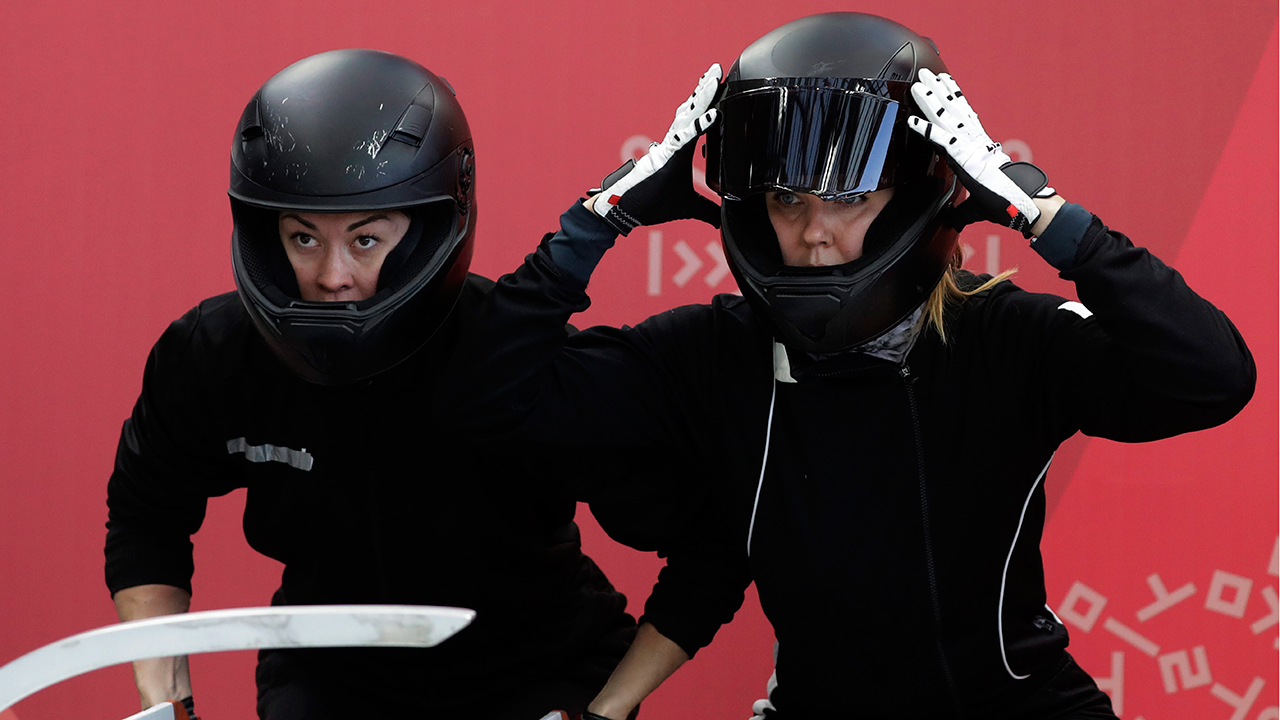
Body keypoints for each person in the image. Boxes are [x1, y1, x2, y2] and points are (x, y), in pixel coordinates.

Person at [436, 13, 1257, 718]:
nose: (813, 232)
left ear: (915, 196)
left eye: (849, 198)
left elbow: (1212, 377)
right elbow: (487, 404)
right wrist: (597, 220)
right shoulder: (711, 352)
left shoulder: (1006, 336)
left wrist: (1046, 217)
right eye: (787, 200)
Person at [104, 49, 636, 720]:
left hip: (536, 668)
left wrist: (608, 705)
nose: (333, 277)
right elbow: (147, 516)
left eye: (365, 240)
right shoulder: (210, 353)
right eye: (303, 239)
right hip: (328, 674)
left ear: (430, 228)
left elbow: (693, 529)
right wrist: (166, 702)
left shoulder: (509, 352)